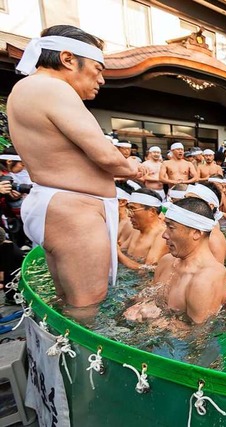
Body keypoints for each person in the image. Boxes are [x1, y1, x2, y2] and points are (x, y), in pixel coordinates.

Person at [7, 25, 143, 307]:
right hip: (72, 213)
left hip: (60, 206)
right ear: (68, 59)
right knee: (87, 305)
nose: (102, 80)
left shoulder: (30, 89)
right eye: (98, 68)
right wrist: (131, 166)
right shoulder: (51, 87)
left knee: (66, 299)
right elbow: (106, 156)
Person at [124, 198, 226, 325]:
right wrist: (136, 305)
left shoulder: (207, 278)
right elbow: (152, 298)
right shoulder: (166, 261)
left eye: (171, 228)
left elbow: (199, 338)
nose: (164, 235)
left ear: (196, 233)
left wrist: (157, 320)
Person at [117, 189, 168, 270]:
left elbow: (148, 270)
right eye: (128, 209)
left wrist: (119, 255)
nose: (129, 215)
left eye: (132, 209)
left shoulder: (162, 236)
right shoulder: (136, 230)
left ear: (152, 211)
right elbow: (121, 250)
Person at [184, 183, 226, 264]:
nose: (186, 203)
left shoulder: (213, 239)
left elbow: (217, 274)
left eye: (193, 200)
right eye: (185, 198)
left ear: (210, 206)